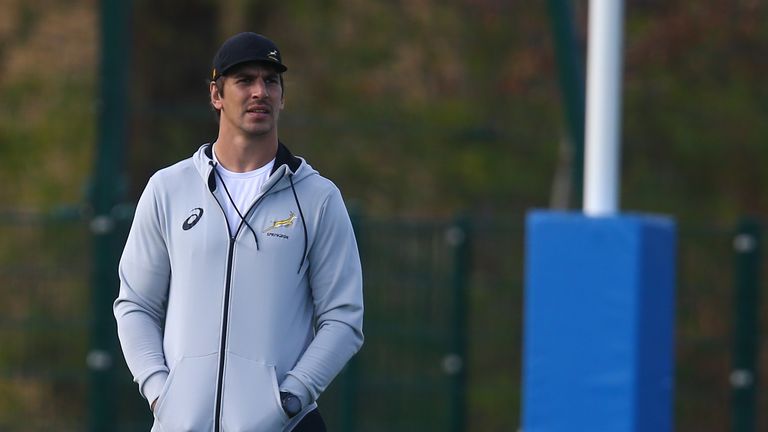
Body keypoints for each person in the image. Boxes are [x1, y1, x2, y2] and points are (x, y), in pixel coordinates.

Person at [114, 32, 364, 432]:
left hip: (286, 425)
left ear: (283, 96)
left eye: (271, 81)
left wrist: (291, 397)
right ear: (217, 94)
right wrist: (161, 393)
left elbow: (344, 318)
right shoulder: (168, 189)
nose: (259, 92)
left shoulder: (318, 198)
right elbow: (136, 304)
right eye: (245, 80)